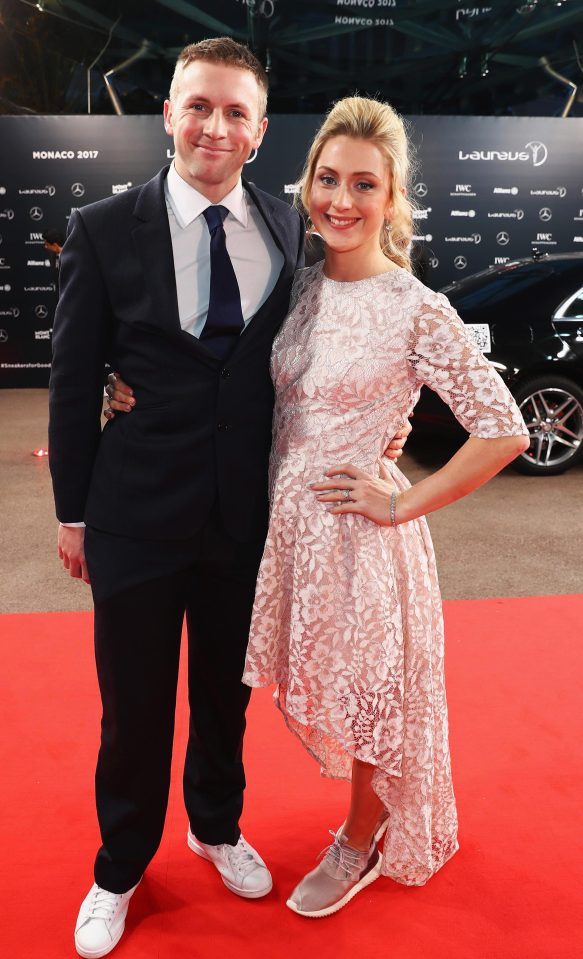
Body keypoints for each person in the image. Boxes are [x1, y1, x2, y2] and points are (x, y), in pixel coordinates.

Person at [49, 38, 408, 958]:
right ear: (169, 114)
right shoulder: (102, 226)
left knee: (223, 695)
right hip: (132, 512)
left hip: (245, 517)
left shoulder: (292, 230)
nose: (216, 125)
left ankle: (214, 825)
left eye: (236, 112)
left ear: (257, 131)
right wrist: (74, 512)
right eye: (198, 106)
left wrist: (387, 426)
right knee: (132, 707)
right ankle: (119, 867)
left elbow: (340, 344)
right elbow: (72, 375)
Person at [238, 97, 530, 917]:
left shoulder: (414, 306)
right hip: (289, 531)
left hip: (363, 537)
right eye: (327, 178)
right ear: (306, 186)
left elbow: (501, 430)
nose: (341, 199)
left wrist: (401, 504)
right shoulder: (294, 287)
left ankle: (361, 836)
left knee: (371, 696)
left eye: (363, 184)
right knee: (341, 685)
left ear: (392, 198)